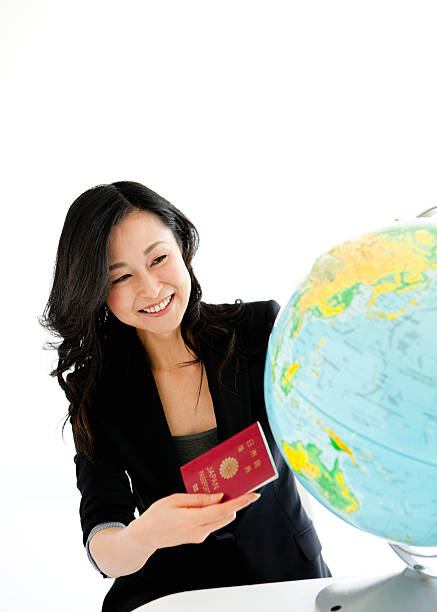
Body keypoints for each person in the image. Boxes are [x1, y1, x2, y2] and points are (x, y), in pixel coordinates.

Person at [41, 181, 331, 612]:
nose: (151, 288)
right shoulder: (97, 388)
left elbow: (338, 412)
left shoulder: (258, 330)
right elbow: (103, 535)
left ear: (183, 246)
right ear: (97, 291)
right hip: (173, 592)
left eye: (159, 258)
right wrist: (145, 535)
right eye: (121, 276)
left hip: (285, 577)